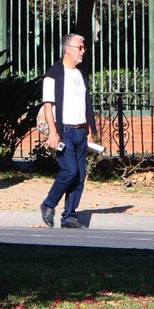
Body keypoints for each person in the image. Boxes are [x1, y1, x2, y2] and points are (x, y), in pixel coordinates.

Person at [38, 32, 105, 229]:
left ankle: (69, 216)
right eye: (80, 48)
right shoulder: (53, 75)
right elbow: (48, 106)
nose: (84, 51)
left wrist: (89, 129)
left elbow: (85, 103)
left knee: (80, 175)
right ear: (68, 50)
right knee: (70, 170)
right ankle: (48, 204)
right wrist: (53, 132)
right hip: (64, 131)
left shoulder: (80, 73)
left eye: (83, 47)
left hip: (80, 132)